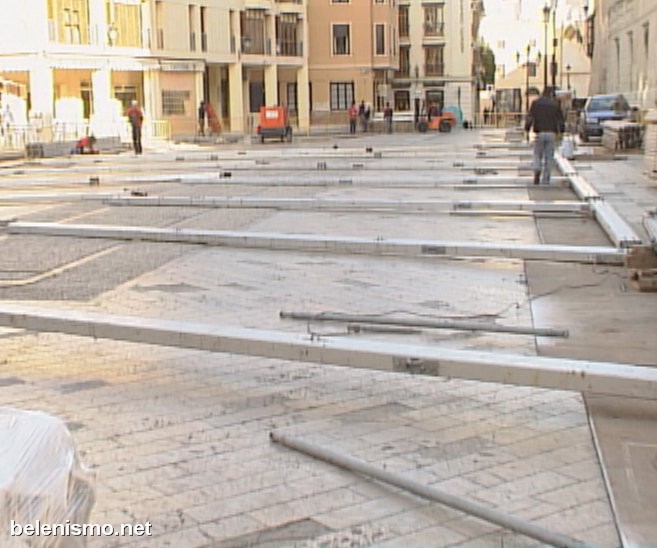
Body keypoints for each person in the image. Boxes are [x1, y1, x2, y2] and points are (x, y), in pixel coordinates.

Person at [524, 87, 565, 185]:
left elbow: (530, 118)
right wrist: (561, 132)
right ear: (551, 94)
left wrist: (527, 129)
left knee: (537, 153)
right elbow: (560, 120)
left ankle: (537, 168)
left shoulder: (535, 103)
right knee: (549, 157)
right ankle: (546, 179)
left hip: (540, 132)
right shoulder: (555, 105)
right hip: (551, 133)